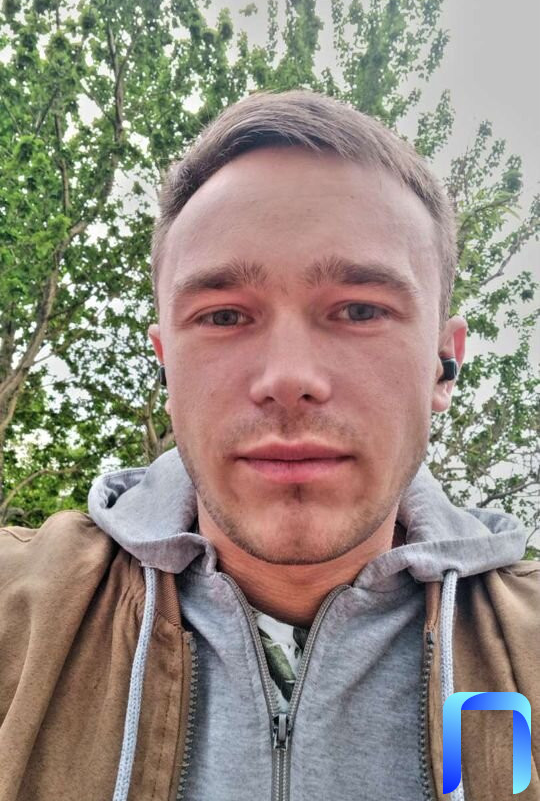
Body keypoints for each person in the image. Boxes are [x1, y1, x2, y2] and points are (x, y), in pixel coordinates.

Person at [0, 89, 538, 801]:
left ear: (444, 363)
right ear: (166, 367)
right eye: (224, 316)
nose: (288, 379)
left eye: (359, 310)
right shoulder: (17, 614)